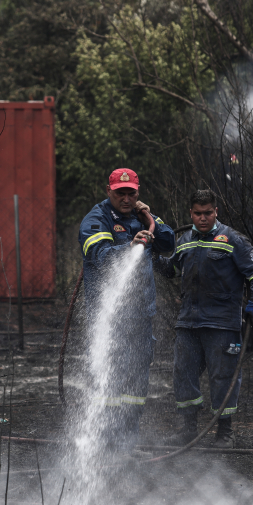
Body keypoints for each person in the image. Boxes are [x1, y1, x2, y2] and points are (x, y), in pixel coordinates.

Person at [160, 189, 253, 448]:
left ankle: (224, 433)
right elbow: (170, 270)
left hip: (222, 323)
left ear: (216, 211)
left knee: (224, 377)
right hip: (188, 322)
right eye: (197, 213)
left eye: (208, 213)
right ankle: (189, 430)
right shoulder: (184, 240)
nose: (203, 218)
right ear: (191, 213)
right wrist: (154, 251)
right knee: (183, 374)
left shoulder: (233, 239)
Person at [78, 168, 175, 450]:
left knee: (135, 377)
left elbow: (167, 243)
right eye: (120, 193)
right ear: (108, 191)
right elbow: (99, 256)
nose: (126, 198)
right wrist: (128, 247)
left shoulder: (142, 217)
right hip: (109, 317)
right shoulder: (96, 219)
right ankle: (102, 436)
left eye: (131, 192)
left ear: (138, 192)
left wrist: (148, 217)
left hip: (140, 314)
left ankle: (126, 436)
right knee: (109, 375)